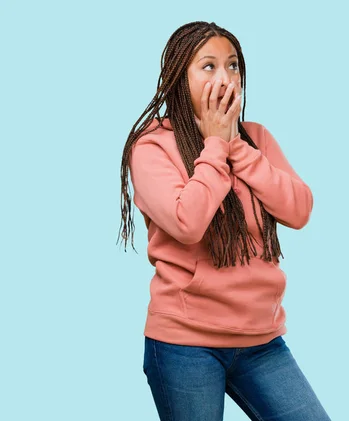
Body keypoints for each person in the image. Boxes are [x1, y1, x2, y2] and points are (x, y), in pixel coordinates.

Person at [116, 21, 331, 421]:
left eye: (233, 66)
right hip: (184, 343)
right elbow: (188, 223)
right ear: (179, 78)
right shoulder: (151, 147)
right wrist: (215, 145)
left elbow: (299, 209)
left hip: (261, 340)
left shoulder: (256, 138)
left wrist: (238, 148)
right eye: (209, 66)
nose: (225, 77)